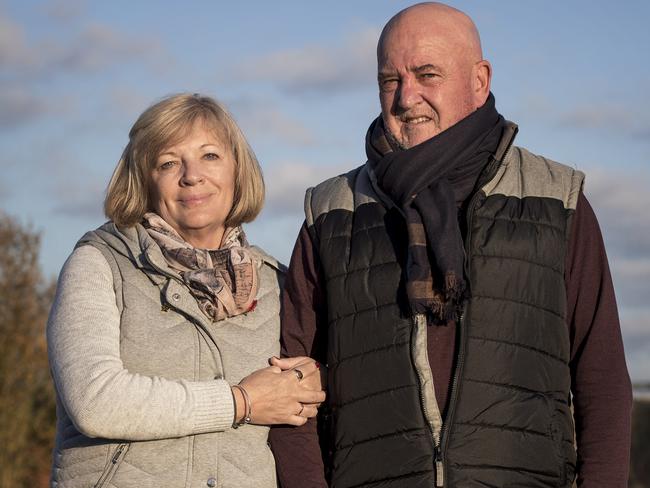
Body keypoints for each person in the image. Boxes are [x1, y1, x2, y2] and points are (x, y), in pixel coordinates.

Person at [269, 3, 632, 487]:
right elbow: (290, 384)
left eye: (427, 73)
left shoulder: (556, 200)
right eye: (389, 80)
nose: (406, 97)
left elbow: (602, 378)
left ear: (479, 80)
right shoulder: (332, 212)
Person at [47, 93, 325, 488]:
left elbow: (311, 393)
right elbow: (94, 402)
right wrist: (240, 402)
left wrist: (319, 377)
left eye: (209, 156)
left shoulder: (277, 284)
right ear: (144, 179)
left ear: (237, 170)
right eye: (168, 162)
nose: (191, 175)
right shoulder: (99, 265)